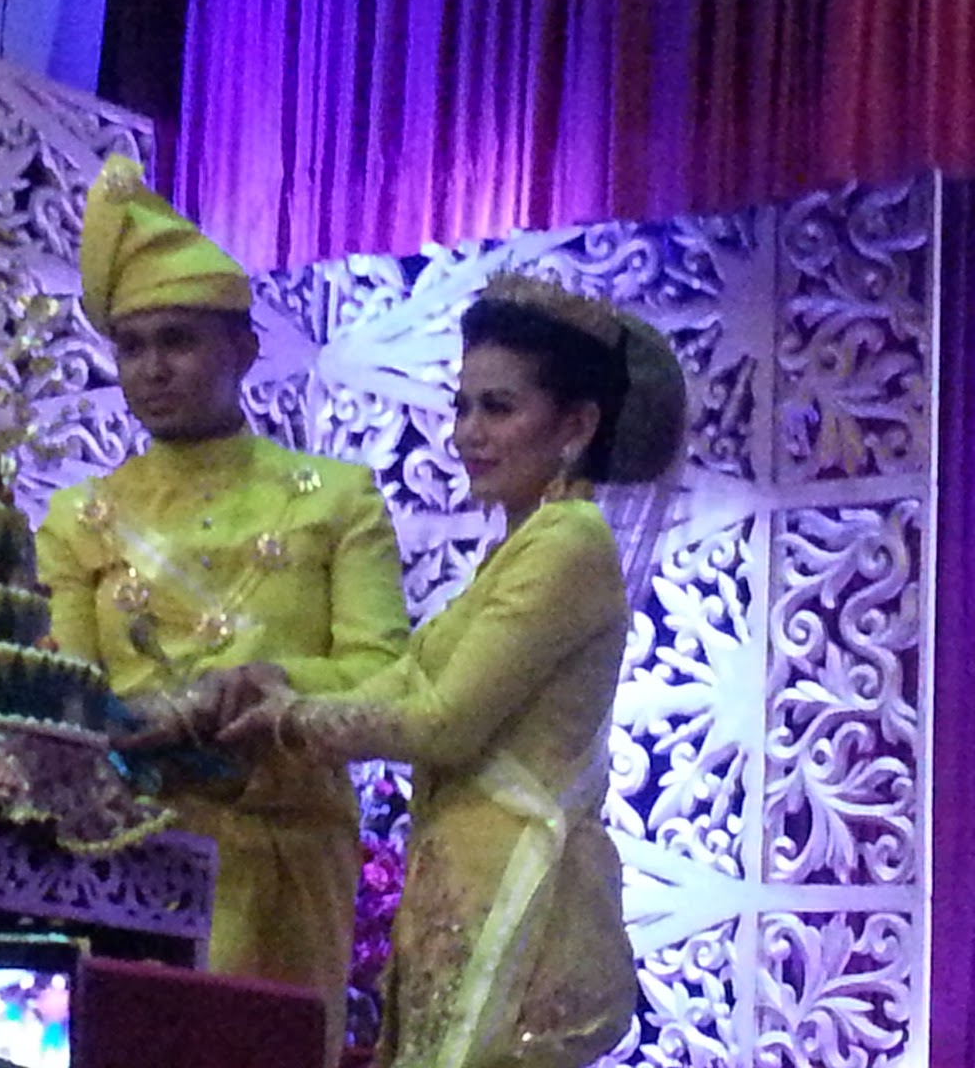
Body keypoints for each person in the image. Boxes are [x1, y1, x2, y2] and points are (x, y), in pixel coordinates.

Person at [217, 273, 688, 1068]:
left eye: (498, 408)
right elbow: (407, 681)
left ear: (576, 425)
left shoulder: (570, 543)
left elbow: (443, 722)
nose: (468, 433)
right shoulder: (522, 546)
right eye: (462, 407)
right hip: (463, 882)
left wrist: (290, 719)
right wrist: (286, 687)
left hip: (515, 893)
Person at [36, 156, 410, 1054]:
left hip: (286, 850)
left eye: (178, 341)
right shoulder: (79, 516)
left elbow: (385, 676)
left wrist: (270, 683)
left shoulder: (337, 499)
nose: (152, 369)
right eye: (131, 347)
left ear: (243, 350)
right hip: (127, 858)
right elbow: (64, 700)